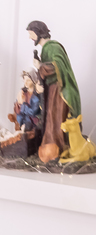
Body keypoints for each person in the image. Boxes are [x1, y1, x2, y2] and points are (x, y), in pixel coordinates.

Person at [28, 20, 81, 163]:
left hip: (60, 91)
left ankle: (57, 150)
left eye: (31, 34)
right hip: (52, 90)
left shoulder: (53, 47)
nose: (30, 38)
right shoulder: (45, 49)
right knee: (51, 119)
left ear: (39, 33)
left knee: (55, 120)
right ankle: (52, 150)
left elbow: (58, 66)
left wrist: (40, 66)